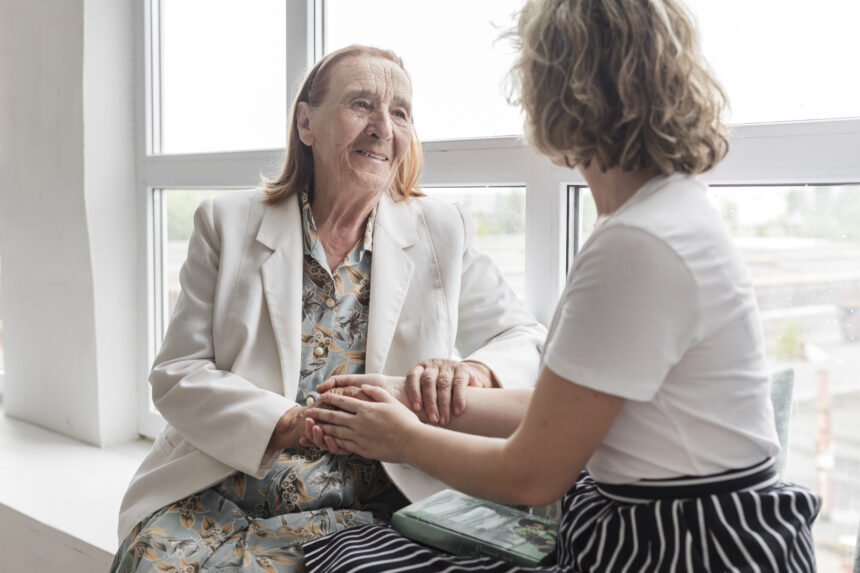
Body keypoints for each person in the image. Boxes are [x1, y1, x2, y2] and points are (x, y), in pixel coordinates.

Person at [301, 1, 821, 571]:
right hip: (683, 528)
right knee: (351, 550)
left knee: (349, 555)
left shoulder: (637, 245)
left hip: (688, 546)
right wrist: (410, 397)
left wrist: (400, 439)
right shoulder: (660, 218)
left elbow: (532, 474)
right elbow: (562, 408)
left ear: (558, 92)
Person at [110, 44, 546, 572]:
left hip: (376, 507)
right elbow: (178, 373)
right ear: (306, 123)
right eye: (362, 104)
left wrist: (472, 369)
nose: (383, 127)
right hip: (219, 489)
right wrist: (285, 422)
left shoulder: (441, 231)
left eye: (400, 112)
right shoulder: (225, 222)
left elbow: (523, 336)